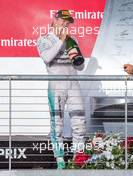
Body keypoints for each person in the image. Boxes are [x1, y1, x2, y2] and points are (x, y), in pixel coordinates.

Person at [36, 10, 86, 169]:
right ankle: (60, 161)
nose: (66, 24)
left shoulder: (73, 39)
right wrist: (61, 40)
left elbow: (81, 66)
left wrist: (77, 58)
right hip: (56, 87)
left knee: (79, 123)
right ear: (55, 19)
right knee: (57, 124)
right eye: (63, 20)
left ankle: (79, 159)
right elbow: (47, 58)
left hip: (73, 85)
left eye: (68, 21)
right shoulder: (44, 39)